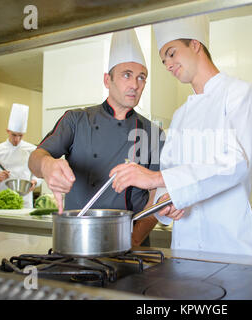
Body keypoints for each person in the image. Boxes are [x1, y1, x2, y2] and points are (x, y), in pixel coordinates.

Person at [110, 15, 252, 257]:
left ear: (195, 44)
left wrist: (155, 178)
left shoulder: (239, 94)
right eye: (163, 60)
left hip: (232, 246)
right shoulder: (181, 114)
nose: (168, 64)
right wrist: (166, 205)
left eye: (172, 53)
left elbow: (235, 163)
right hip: (186, 248)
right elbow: (169, 179)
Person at [28, 29, 164, 246]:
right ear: (107, 80)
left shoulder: (153, 133)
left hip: (131, 244)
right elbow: (36, 157)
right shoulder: (76, 120)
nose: (135, 85)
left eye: (141, 77)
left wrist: (133, 239)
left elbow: (158, 195)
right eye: (126, 75)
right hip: (78, 241)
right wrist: (46, 165)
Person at [0, 103, 42, 208]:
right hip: (2, 199)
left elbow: (39, 174)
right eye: (14, 135)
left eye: (20, 136)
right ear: (8, 131)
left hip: (25, 201)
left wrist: (34, 182)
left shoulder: (32, 149)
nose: (17, 139)